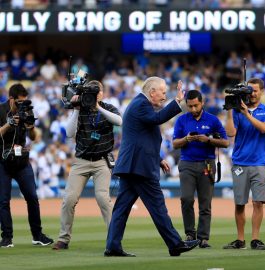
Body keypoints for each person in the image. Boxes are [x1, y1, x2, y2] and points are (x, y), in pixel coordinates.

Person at [104, 77, 200, 257]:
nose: (164, 96)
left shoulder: (139, 104)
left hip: (133, 165)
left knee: (121, 209)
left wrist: (158, 158)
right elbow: (157, 119)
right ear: (152, 92)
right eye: (163, 92)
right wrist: (177, 101)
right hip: (139, 167)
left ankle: (112, 246)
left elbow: (142, 139)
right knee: (157, 206)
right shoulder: (141, 105)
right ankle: (175, 244)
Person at [52, 80, 122, 250]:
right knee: (69, 199)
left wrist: (98, 108)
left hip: (101, 161)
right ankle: (63, 239)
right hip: (81, 161)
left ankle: (113, 239)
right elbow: (69, 133)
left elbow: (119, 121)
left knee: (103, 198)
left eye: (97, 91)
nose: (95, 95)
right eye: (91, 92)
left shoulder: (108, 107)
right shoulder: (80, 109)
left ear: (102, 93)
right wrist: (76, 109)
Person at [172, 90, 229, 248]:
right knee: (186, 199)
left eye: (196, 105)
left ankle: (203, 238)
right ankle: (190, 234)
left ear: (202, 103)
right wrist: (186, 139)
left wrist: (208, 140)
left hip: (207, 163)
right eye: (190, 106)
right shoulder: (181, 120)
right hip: (187, 164)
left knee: (205, 203)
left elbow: (226, 142)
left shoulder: (213, 120)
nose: (193, 109)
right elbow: (175, 143)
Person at [0, 83, 54, 248]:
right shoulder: (1, 110)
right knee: (3, 200)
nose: (22, 105)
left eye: (24, 102)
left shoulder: (27, 111)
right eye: (19, 102)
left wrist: (30, 128)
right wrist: (9, 123)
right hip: (2, 161)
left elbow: (34, 137)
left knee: (32, 197)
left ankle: (37, 235)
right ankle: (7, 238)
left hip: (22, 161)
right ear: (11, 99)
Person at [224, 78, 265, 250]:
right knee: (239, 203)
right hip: (240, 162)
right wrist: (230, 110)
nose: (252, 93)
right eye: (250, 90)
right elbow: (230, 133)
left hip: (258, 162)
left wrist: (246, 114)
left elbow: (264, 129)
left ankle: (255, 239)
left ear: (261, 92)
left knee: (258, 202)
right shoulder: (237, 111)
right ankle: (240, 239)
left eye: (256, 90)